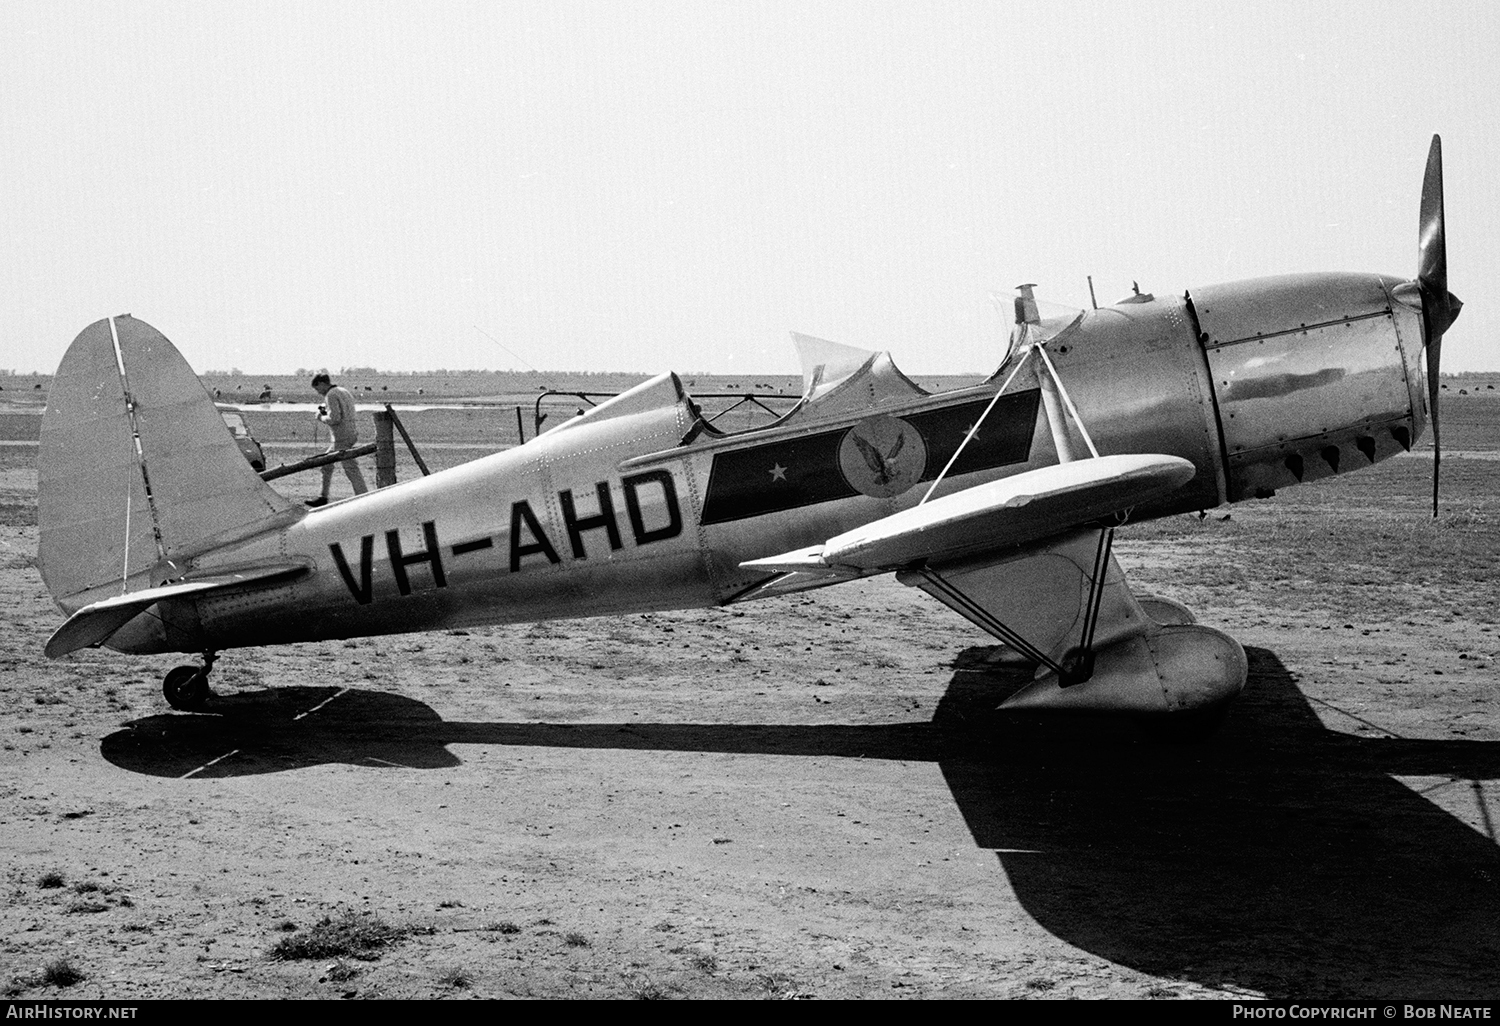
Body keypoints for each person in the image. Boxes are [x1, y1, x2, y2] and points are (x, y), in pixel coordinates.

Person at [307, 372, 368, 506]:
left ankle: (363, 495)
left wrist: (320, 416)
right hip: (350, 433)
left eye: (317, 389)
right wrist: (325, 411)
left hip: (341, 437)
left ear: (322, 384)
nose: (318, 392)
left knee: (350, 467)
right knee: (326, 464)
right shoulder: (343, 391)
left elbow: (335, 418)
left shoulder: (331, 395)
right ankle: (323, 497)